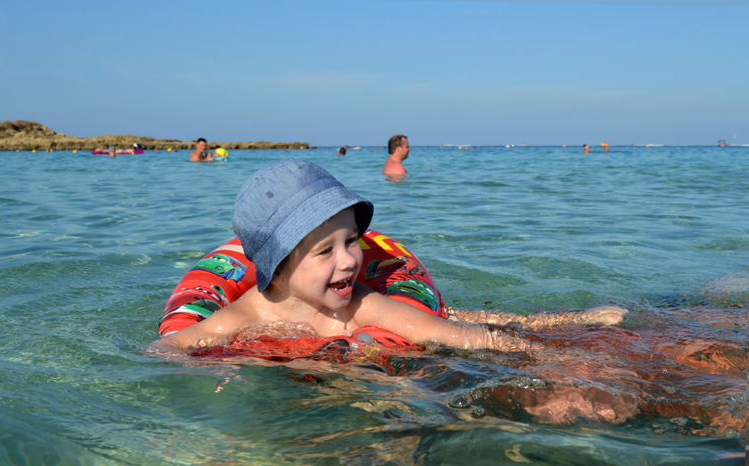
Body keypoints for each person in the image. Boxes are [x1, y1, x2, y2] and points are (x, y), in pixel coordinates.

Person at [151, 160, 625, 354]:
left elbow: (451, 335)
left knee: (473, 321)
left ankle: (565, 321)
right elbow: (168, 350)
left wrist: (540, 354)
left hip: (378, 352)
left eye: (351, 241)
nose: (348, 261)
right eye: (325, 250)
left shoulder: (360, 304)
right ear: (276, 268)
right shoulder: (241, 317)